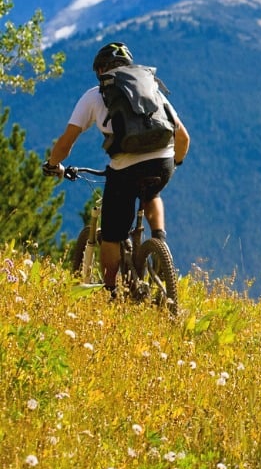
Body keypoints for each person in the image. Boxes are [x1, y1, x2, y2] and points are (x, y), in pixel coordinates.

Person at [44, 41, 190, 293]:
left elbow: (66, 142)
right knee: (152, 193)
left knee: (111, 236)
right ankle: (158, 241)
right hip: (163, 160)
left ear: (100, 71)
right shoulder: (151, 87)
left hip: (125, 168)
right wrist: (174, 164)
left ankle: (111, 292)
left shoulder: (94, 95)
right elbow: (183, 137)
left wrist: (53, 164)